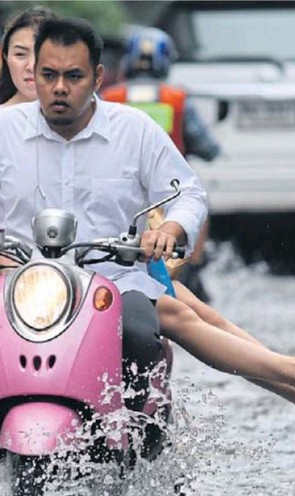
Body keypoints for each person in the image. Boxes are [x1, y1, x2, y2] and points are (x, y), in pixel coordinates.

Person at [0, 17, 295, 432]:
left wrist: (169, 230)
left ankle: (137, 444)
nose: (59, 88)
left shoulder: (134, 129)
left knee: (142, 332)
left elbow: (188, 193)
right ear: (32, 74)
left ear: (98, 77)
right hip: (26, 288)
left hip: (116, 282)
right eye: (49, 75)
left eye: (74, 76)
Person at [101, 27, 220, 302]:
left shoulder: (109, 98)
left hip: (121, 195)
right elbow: (207, 147)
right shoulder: (177, 98)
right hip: (168, 193)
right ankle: (195, 262)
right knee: (197, 206)